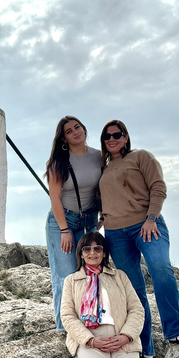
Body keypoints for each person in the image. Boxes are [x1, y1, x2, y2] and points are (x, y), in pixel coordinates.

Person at [97, 119, 179, 358]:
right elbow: (103, 196)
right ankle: (144, 345)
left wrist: (152, 217)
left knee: (160, 269)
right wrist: (101, 216)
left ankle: (177, 330)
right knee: (134, 289)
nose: (112, 139)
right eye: (107, 136)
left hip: (147, 226)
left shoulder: (141, 157)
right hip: (115, 233)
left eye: (117, 134)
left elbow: (158, 187)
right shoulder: (103, 168)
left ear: (125, 137)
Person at [45, 116, 102, 333]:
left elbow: (105, 186)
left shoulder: (98, 157)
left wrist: (104, 215)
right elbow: (55, 199)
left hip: (89, 221)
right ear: (64, 139)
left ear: (84, 129)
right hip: (63, 221)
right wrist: (64, 230)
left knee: (91, 271)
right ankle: (65, 328)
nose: (75, 132)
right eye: (69, 131)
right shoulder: (58, 163)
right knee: (66, 275)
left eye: (77, 127)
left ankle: (90, 320)